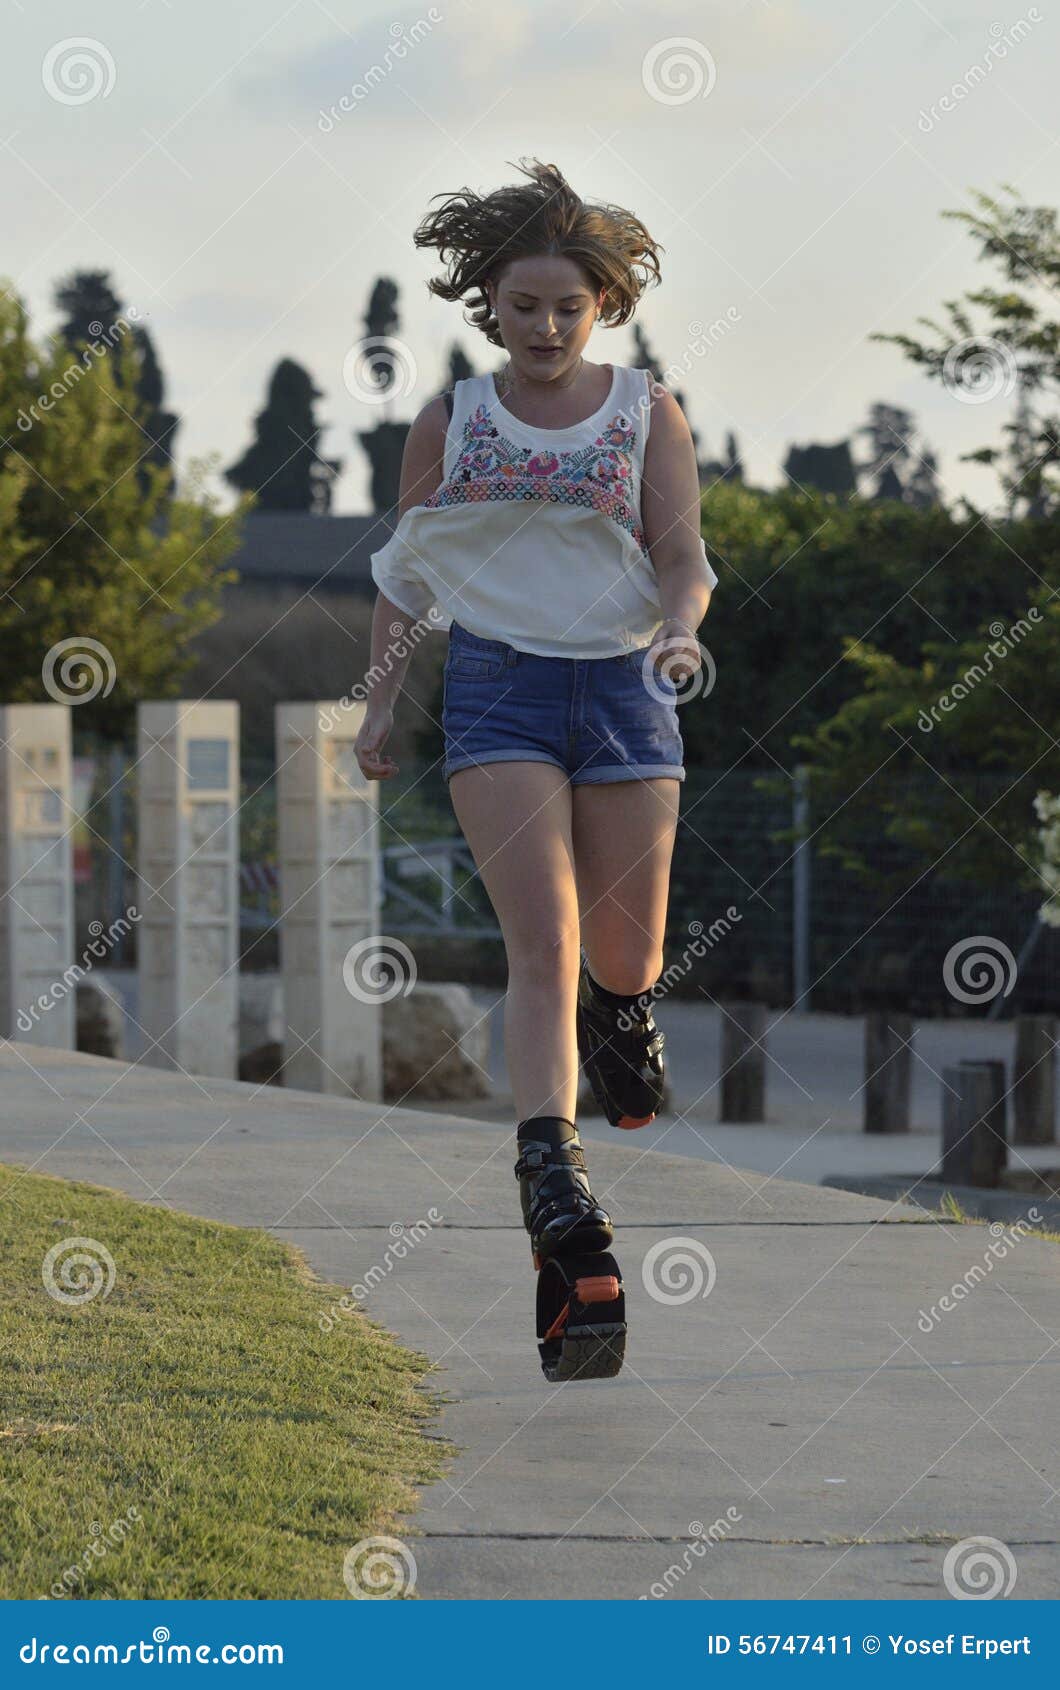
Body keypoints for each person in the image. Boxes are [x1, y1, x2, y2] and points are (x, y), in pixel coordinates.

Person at [355, 157, 717, 1286]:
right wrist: (379, 703)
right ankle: (550, 1171)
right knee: (544, 940)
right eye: (524, 308)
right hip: (499, 687)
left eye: (569, 306)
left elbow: (683, 554)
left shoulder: (646, 411)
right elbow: (407, 578)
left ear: (602, 304)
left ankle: (625, 1016)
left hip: (624, 687)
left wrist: (680, 629)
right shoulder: (449, 419)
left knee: (626, 951)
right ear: (489, 306)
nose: (546, 326)